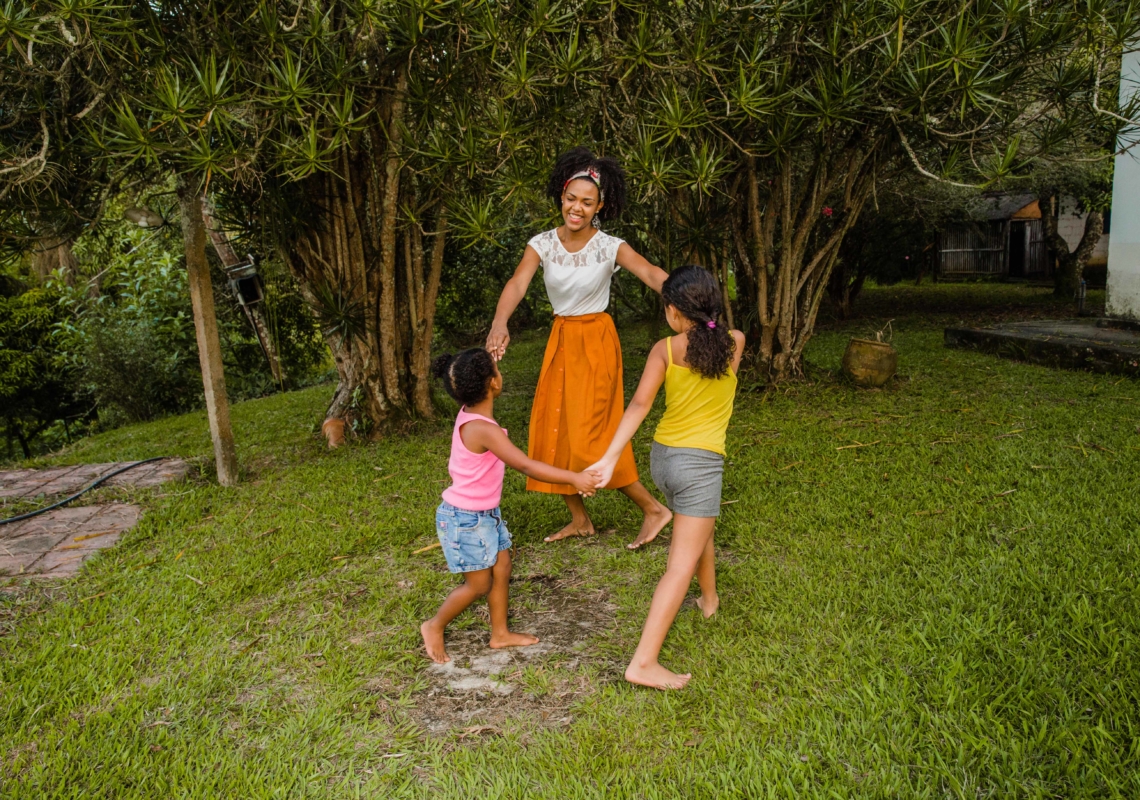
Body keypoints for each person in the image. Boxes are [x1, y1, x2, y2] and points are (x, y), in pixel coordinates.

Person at [485, 146, 672, 549]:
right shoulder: (543, 243)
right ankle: (580, 519)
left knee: (591, 437)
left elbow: (652, 273)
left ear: (599, 205)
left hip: (596, 342)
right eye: (571, 199)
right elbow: (518, 282)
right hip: (561, 341)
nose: (576, 208)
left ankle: (653, 509)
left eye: (587, 202)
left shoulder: (609, 246)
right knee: (556, 428)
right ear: (561, 196)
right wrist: (500, 323)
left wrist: (689, 298)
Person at [588, 266, 745, 690]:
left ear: (675, 311)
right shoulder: (737, 343)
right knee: (678, 566)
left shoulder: (666, 349)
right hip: (700, 464)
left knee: (700, 522)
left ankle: (709, 600)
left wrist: (610, 457)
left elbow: (639, 405)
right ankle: (643, 662)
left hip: (664, 460)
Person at [420, 348, 601, 664]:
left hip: (484, 515)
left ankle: (500, 634)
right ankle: (434, 625)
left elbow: (479, 375)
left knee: (502, 567)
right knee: (478, 585)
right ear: (493, 383)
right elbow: (527, 466)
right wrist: (575, 477)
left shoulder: (472, 412)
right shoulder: (483, 430)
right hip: (466, 520)